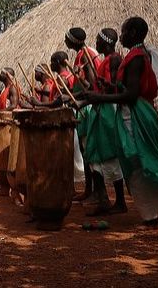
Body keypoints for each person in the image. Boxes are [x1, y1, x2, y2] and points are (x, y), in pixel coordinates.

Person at [81, 17, 158, 229]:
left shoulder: (136, 57)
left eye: (125, 32)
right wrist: (109, 86)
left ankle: (151, 218)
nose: (122, 36)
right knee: (153, 159)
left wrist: (100, 98)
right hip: (141, 114)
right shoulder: (137, 55)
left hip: (136, 117)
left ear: (135, 33)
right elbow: (129, 89)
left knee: (139, 163)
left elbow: (131, 95)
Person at [84, 28, 127, 216]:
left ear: (106, 42)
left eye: (98, 40)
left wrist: (98, 94)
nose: (96, 43)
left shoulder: (115, 59)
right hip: (100, 110)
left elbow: (116, 89)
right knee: (93, 155)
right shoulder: (105, 61)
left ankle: (120, 202)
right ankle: (102, 199)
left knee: (110, 155)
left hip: (108, 110)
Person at [65, 27, 101, 203]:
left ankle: (95, 192)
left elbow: (91, 85)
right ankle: (89, 189)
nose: (65, 41)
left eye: (67, 38)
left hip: (87, 107)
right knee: (86, 151)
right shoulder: (82, 54)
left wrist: (76, 98)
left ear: (74, 40)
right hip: (81, 105)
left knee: (90, 150)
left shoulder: (86, 54)